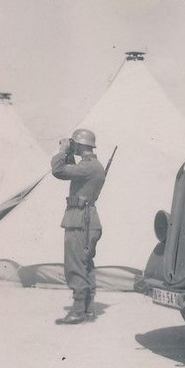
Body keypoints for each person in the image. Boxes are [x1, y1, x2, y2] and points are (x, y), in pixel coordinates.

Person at [51, 128, 106, 324]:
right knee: (86, 265)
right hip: (88, 220)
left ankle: (77, 311)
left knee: (75, 265)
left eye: (74, 144)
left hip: (80, 220)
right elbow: (73, 172)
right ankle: (88, 309)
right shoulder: (91, 166)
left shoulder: (89, 167)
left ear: (80, 145)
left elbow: (58, 171)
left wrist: (63, 151)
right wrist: (68, 153)